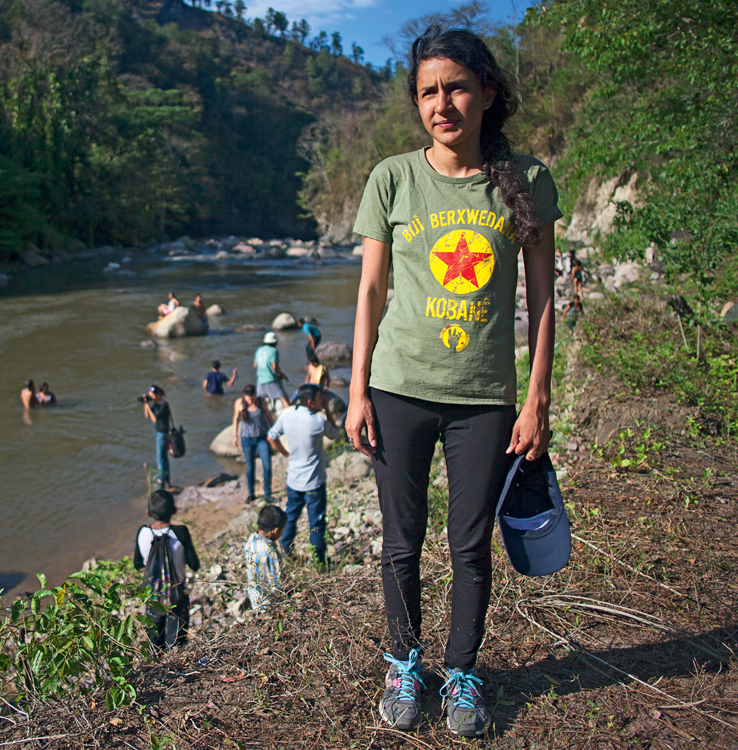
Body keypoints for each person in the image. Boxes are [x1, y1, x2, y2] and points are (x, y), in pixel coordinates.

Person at [346, 26, 559, 737]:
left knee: (468, 546)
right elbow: (371, 291)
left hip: (484, 399)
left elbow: (543, 297)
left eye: (457, 87)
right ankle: (405, 661)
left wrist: (536, 398)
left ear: (487, 93)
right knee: (401, 541)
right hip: (398, 387)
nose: (442, 103)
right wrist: (355, 391)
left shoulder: (525, 181)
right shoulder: (392, 178)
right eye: (428, 91)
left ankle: (462, 673)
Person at [267, 384, 340, 566]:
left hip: (294, 480)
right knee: (316, 522)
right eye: (319, 398)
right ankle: (319, 562)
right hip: (314, 483)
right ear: (310, 401)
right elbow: (336, 435)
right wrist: (326, 412)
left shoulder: (287, 417)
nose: (322, 400)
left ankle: (286, 551)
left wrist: (286, 454)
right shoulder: (319, 421)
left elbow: (271, 436)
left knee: (291, 517)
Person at [133, 490, 200, 648]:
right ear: (174, 511)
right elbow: (194, 564)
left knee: (155, 645)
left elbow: (138, 564)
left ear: (148, 513)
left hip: (153, 599)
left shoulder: (143, 533)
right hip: (177, 598)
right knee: (177, 646)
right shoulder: (180, 532)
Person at [232, 384, 275, 503]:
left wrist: (274, 430)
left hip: (262, 437)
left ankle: (267, 493)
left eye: (252, 397)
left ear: (256, 394)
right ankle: (251, 493)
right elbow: (235, 418)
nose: (250, 400)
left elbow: (268, 416)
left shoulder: (261, 401)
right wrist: (235, 436)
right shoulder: (240, 403)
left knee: (267, 465)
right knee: (250, 466)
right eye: (248, 398)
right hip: (247, 438)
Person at [244, 504, 287, 611]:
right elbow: (277, 582)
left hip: (256, 599)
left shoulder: (251, 540)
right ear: (276, 531)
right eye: (282, 530)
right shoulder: (268, 551)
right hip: (269, 604)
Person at [142, 385, 173, 489]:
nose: (152, 397)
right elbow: (147, 416)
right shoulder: (156, 404)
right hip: (158, 432)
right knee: (163, 457)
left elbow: (155, 419)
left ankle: (161, 479)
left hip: (162, 433)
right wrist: (145, 405)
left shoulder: (164, 405)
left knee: (160, 458)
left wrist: (149, 406)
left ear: (159, 394)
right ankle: (166, 479)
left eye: (153, 395)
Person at [253, 332, 290, 408]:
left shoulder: (259, 350)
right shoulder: (273, 351)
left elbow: (255, 365)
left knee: (259, 402)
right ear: (275, 342)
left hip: (260, 380)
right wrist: (281, 374)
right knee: (284, 399)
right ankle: (289, 414)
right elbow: (274, 366)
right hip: (271, 379)